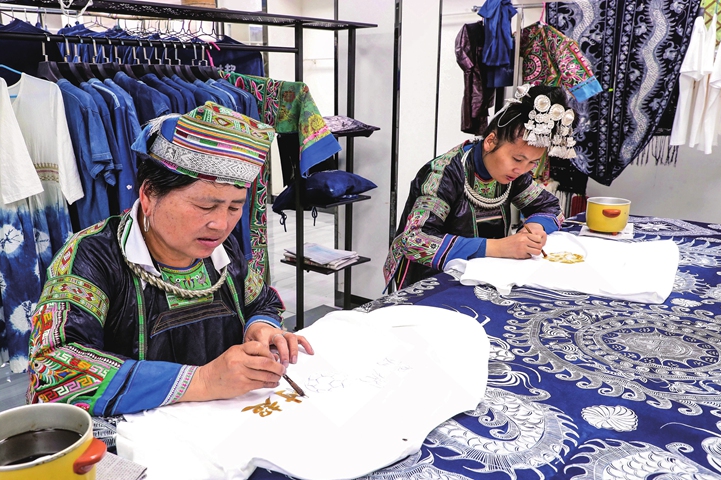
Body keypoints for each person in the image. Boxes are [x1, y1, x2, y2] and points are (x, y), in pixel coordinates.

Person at [28, 102, 313, 416]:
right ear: (149, 196)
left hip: (223, 425)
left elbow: (262, 303)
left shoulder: (222, 250)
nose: (221, 224)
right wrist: (203, 380)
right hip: (138, 443)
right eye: (206, 206)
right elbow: (52, 368)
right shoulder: (92, 256)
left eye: (235, 207)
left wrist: (261, 327)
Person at [384, 84, 575, 290]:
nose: (522, 169)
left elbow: (549, 207)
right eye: (517, 158)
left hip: (484, 272)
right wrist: (499, 247)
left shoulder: (514, 174)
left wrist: (536, 229)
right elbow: (414, 239)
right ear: (490, 141)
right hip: (429, 279)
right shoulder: (444, 174)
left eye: (532, 163)